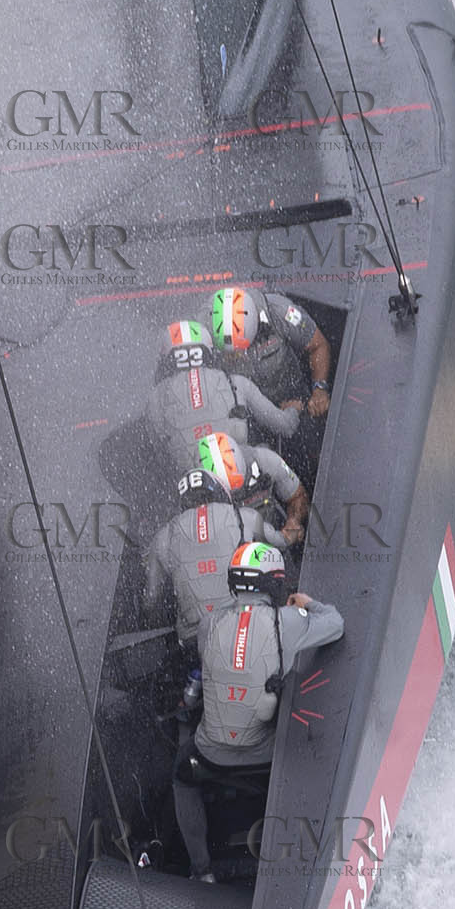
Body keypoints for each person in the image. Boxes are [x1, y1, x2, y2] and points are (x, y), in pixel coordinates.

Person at [172, 541, 344, 880]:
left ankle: (201, 869)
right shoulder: (290, 622)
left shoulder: (208, 624)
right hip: (263, 755)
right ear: (273, 583)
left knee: (181, 776)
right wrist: (308, 604)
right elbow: (335, 624)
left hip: (209, 756)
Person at [144, 434, 289, 648]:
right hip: (244, 625)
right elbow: (281, 544)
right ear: (221, 492)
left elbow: (150, 600)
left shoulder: (162, 538)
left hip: (194, 639)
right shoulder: (245, 517)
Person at [144, 320, 301, 466]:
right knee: (268, 455)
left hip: (195, 488)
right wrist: (294, 409)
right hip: (239, 475)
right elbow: (286, 426)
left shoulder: (154, 400)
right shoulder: (236, 383)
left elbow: (160, 454)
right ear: (208, 350)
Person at [208, 285, 333, 418]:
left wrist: (319, 389)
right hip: (246, 413)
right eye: (230, 354)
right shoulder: (204, 328)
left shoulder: (281, 312)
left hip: (295, 398)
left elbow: (318, 345)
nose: (237, 356)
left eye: (239, 350)